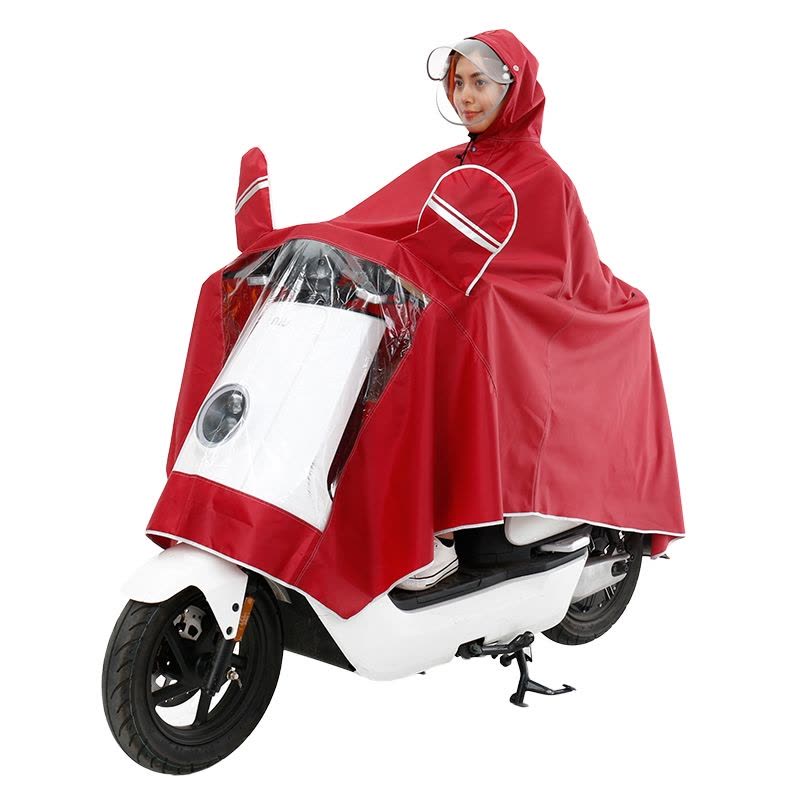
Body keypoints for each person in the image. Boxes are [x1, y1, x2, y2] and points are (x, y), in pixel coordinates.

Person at [396, 38, 514, 592]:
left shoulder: (540, 174)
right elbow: (390, 222)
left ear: (512, 87)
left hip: (497, 329)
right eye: (458, 83)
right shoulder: (454, 164)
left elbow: (550, 273)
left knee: (448, 333)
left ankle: (439, 534)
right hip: (441, 309)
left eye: (479, 83)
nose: (465, 96)